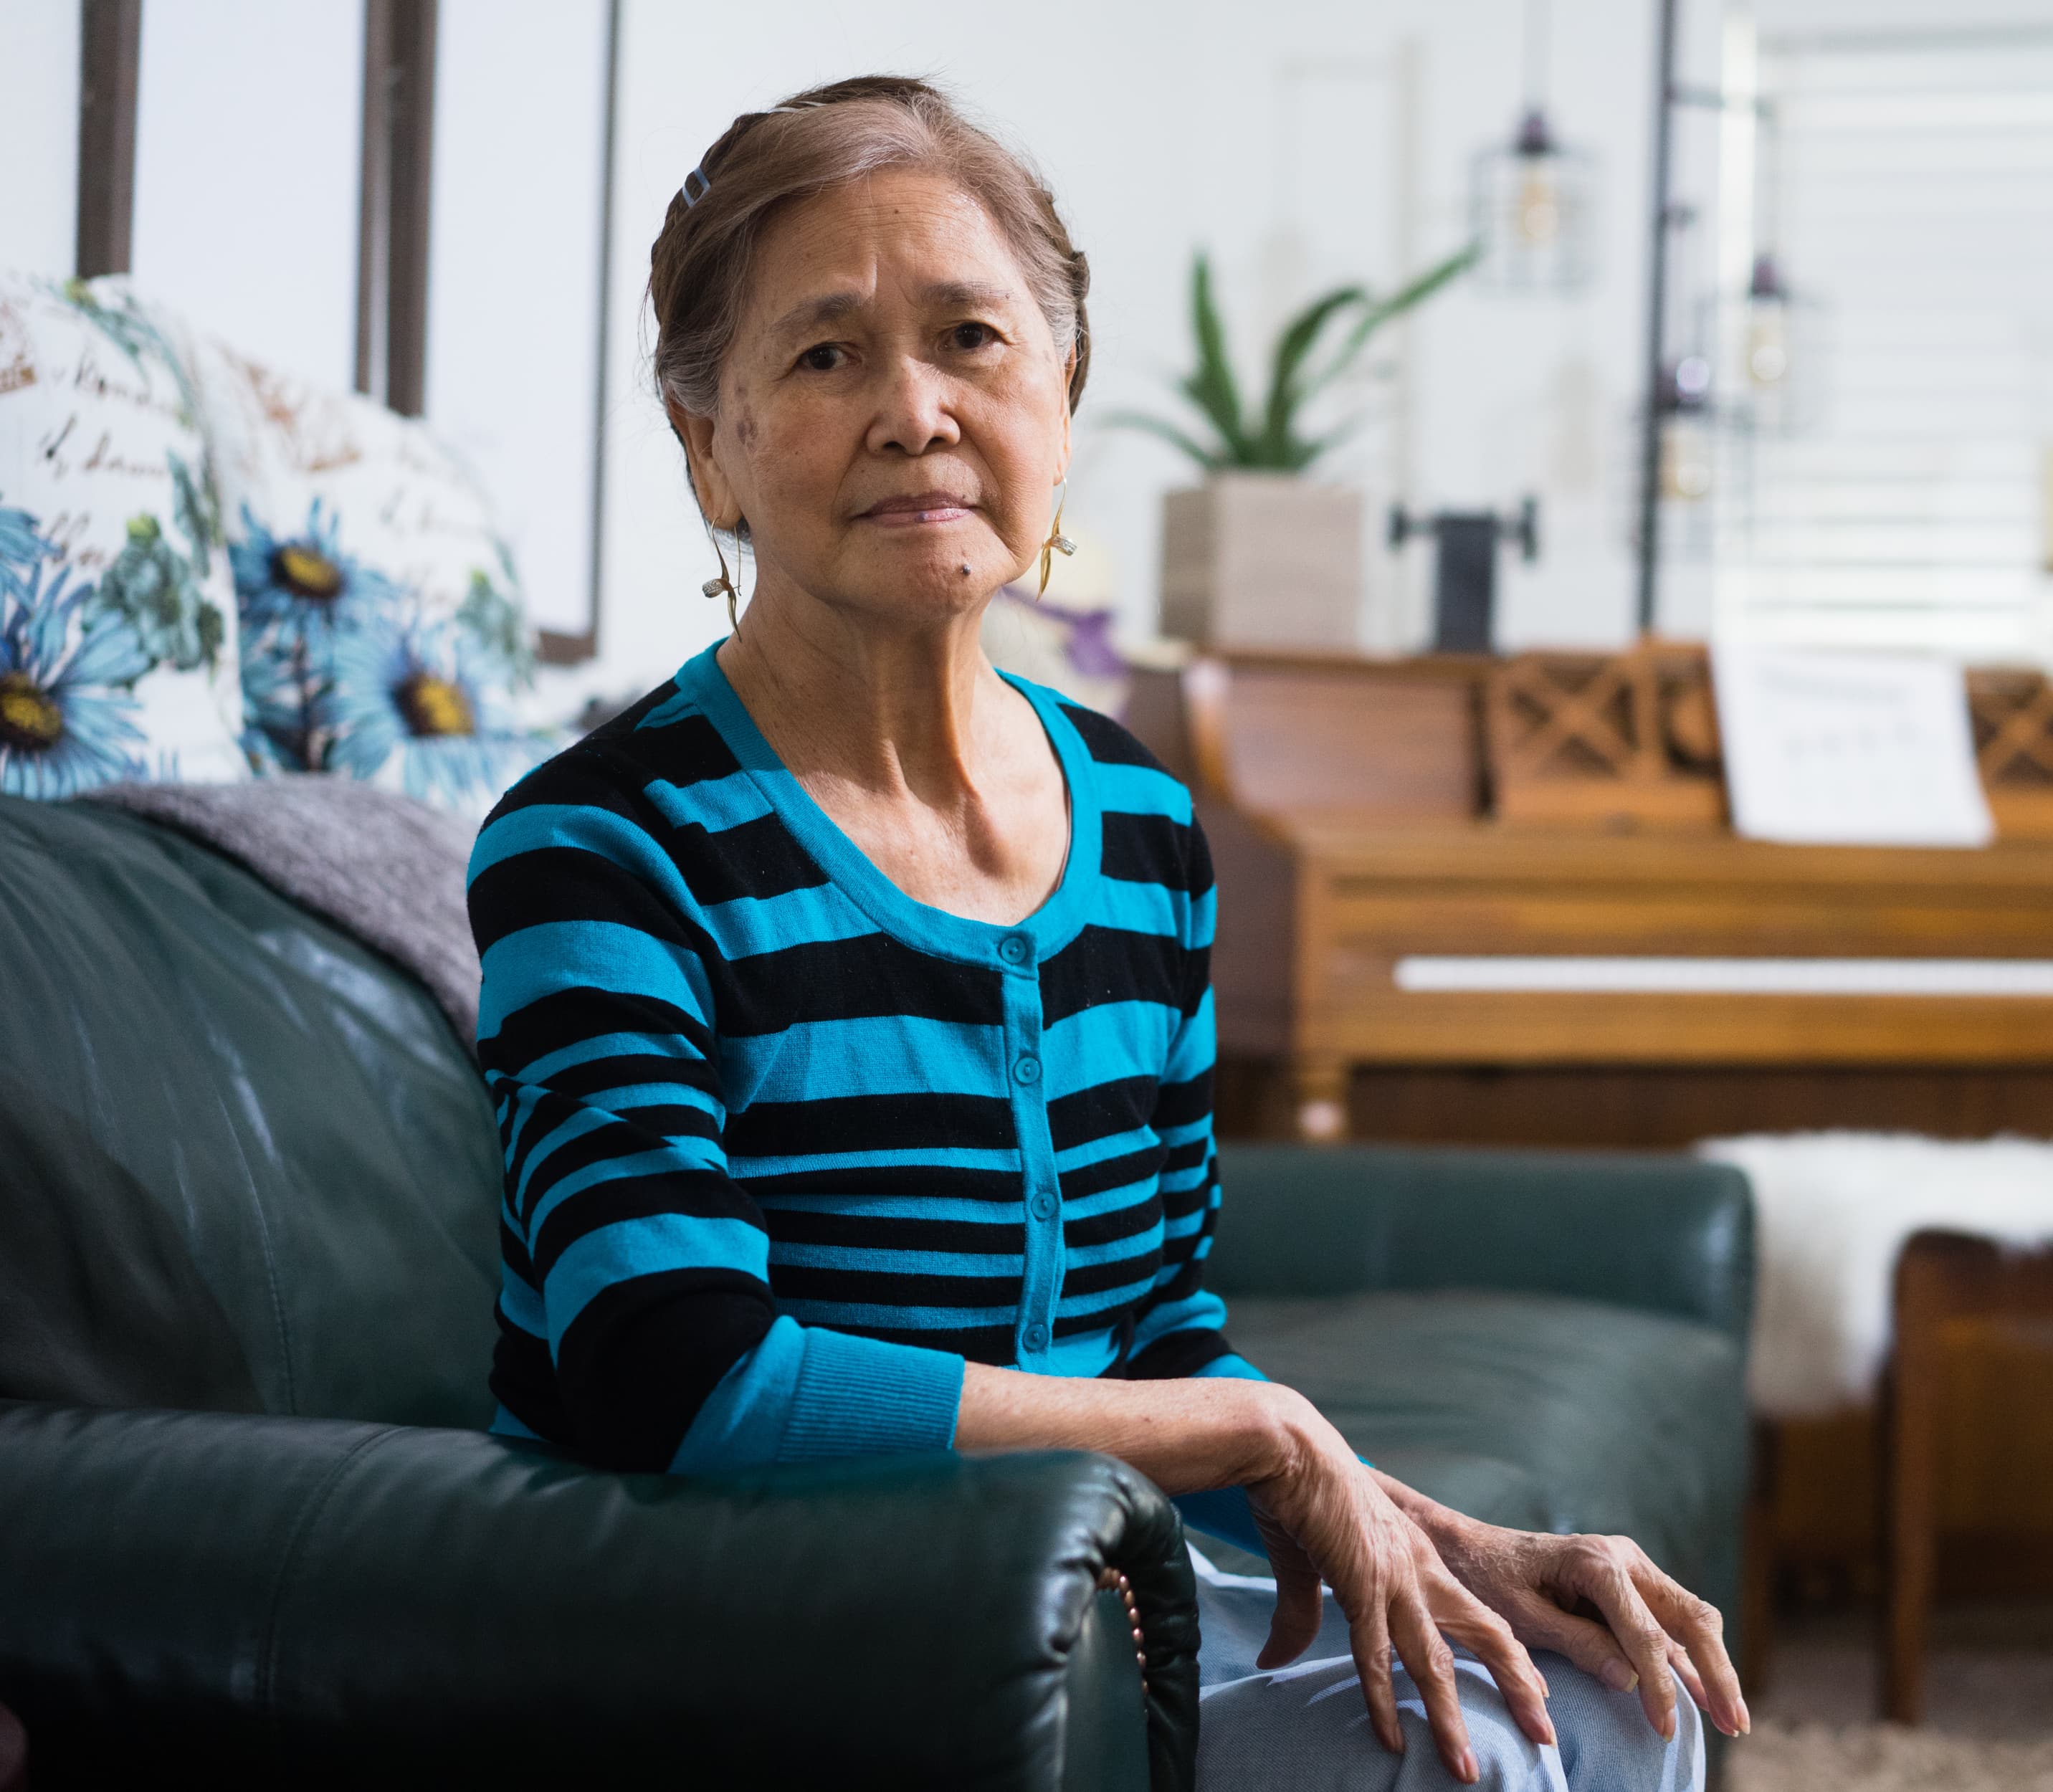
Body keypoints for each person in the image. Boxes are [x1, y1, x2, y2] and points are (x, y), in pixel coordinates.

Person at [467, 75, 1742, 1790]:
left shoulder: (1139, 824)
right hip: (745, 1623)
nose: (915, 410)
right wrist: (1246, 1428)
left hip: (1086, 1606)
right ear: (713, 446)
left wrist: (1434, 1533)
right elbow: (673, 1376)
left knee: (1591, 1699)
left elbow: (1155, 1336)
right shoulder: (603, 839)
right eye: (827, 354)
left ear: (1060, 398)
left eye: (971, 339)